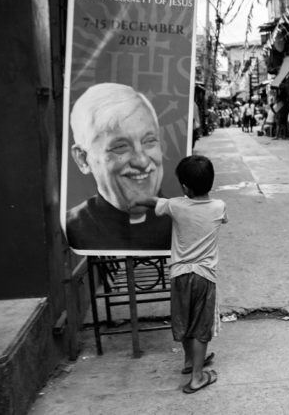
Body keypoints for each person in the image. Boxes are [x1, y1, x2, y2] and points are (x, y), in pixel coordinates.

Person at [150, 155, 227, 394]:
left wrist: (134, 199)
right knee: (202, 326)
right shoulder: (219, 207)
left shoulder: (175, 205)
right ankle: (197, 377)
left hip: (180, 275)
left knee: (184, 320)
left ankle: (188, 361)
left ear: (184, 187)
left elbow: (151, 202)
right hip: (204, 276)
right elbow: (224, 219)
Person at [65, 83, 170, 252]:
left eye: (149, 141)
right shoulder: (70, 229)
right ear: (83, 159)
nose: (142, 161)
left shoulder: (181, 221)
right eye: (120, 147)